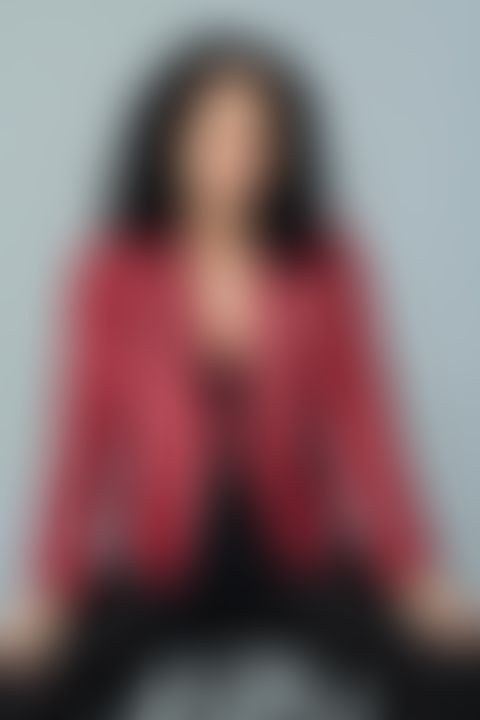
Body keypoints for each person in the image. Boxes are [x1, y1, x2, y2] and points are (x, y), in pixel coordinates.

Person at [0, 36, 478, 719]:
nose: (234, 159)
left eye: (255, 138)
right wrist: (54, 587)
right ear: (170, 145)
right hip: (162, 561)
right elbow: (82, 441)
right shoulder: (112, 277)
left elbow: (366, 427)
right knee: (21, 686)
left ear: (284, 153)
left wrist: (412, 571)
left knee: (456, 668)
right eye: (214, 135)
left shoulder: (326, 272)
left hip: (295, 557)